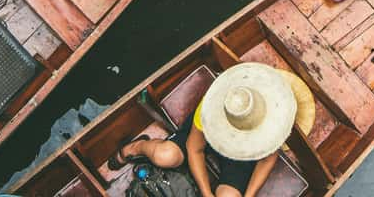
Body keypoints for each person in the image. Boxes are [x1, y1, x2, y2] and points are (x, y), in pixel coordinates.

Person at [109, 63, 315, 197]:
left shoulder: (272, 121)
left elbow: (267, 159)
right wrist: (207, 193)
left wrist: (248, 196)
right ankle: (135, 147)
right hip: (208, 136)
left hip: (241, 156)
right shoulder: (215, 107)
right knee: (165, 156)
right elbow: (194, 148)